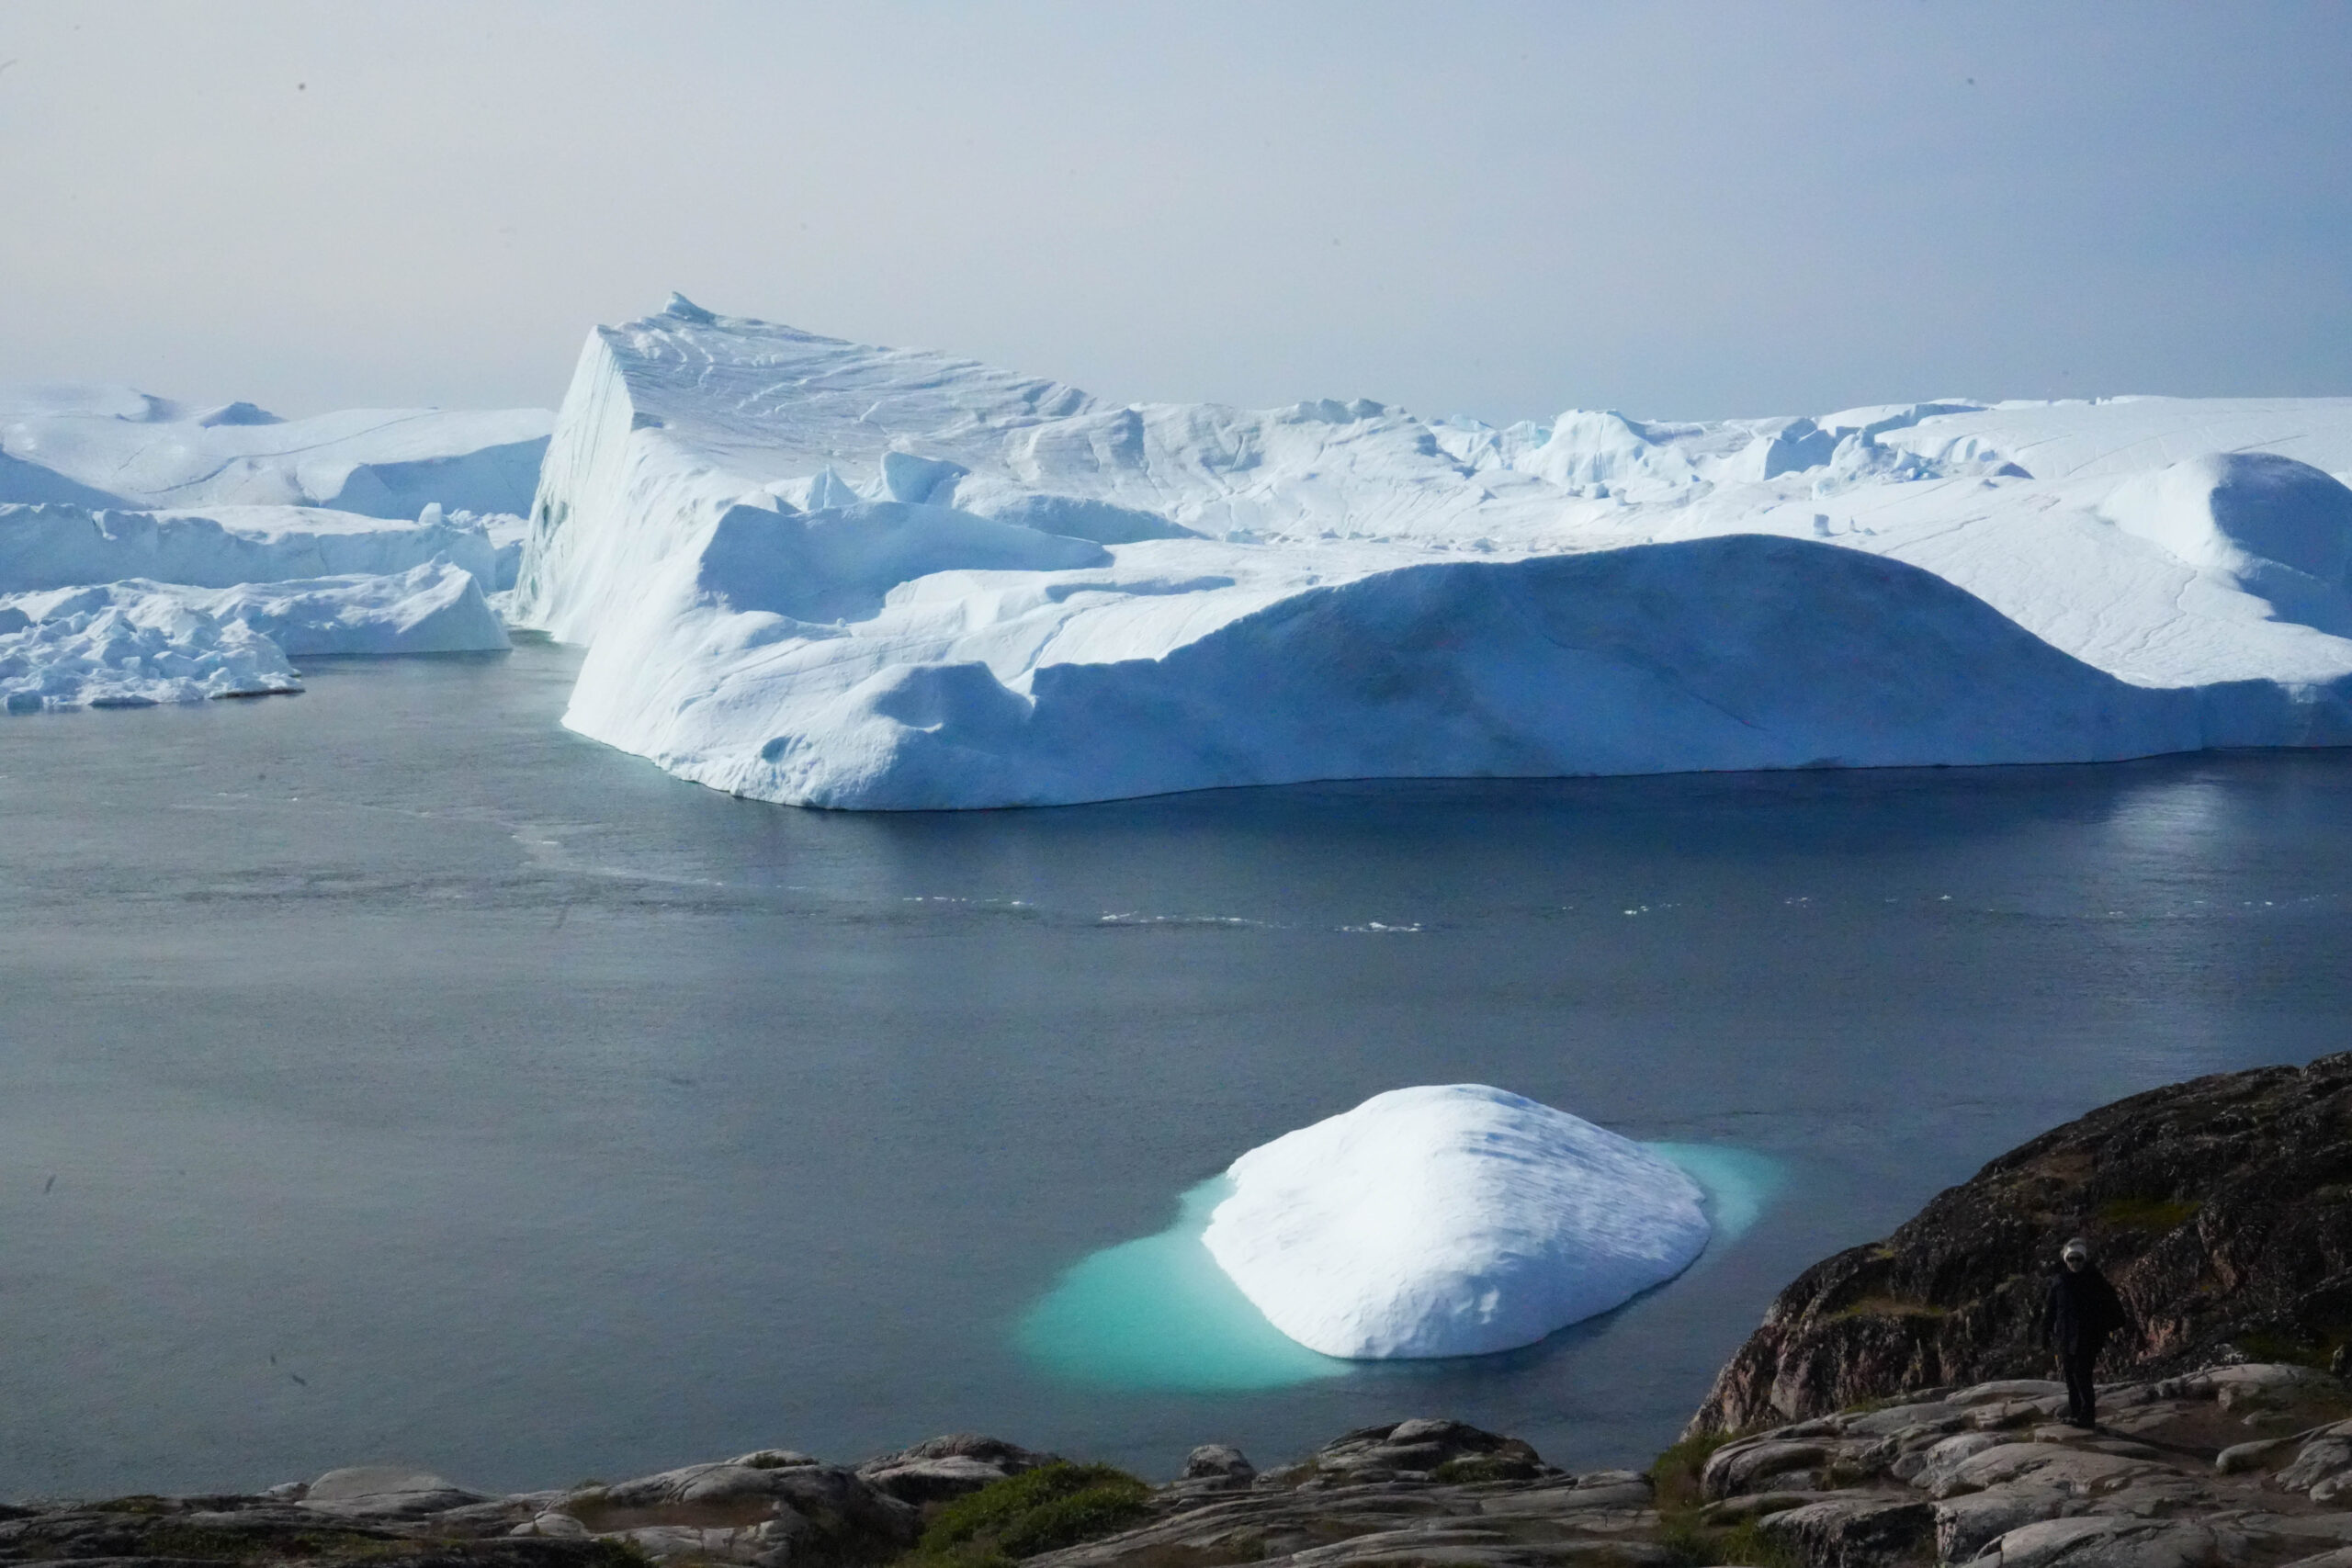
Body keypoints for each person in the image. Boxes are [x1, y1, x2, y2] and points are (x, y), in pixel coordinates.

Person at [2039, 1236, 2138, 1428]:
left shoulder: (2095, 1280)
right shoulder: (2059, 1281)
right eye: (2071, 1259)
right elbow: (2051, 1309)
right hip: (2066, 1336)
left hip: (2088, 1338)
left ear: (2084, 1259)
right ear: (2065, 1260)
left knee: (2081, 1375)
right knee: (2070, 1375)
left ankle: (2087, 1415)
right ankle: (2076, 1411)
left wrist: (2101, 1328)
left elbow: (2117, 1312)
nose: (2075, 1263)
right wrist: (2045, 1332)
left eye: (2079, 1259)